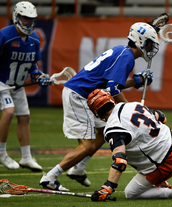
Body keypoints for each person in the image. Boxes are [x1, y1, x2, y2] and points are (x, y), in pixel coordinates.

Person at [39, 22, 159, 191]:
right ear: (140, 41)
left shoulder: (122, 52)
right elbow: (112, 89)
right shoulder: (126, 57)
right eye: (149, 43)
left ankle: (78, 168)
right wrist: (129, 109)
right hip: (79, 95)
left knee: (105, 130)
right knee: (86, 146)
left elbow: (112, 83)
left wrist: (137, 80)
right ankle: (50, 177)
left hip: (85, 94)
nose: (151, 48)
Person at [87, 89, 172, 201]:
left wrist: (108, 186)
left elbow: (120, 161)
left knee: (131, 193)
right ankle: (161, 183)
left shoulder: (113, 127)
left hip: (166, 160)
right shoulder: (132, 105)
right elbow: (161, 116)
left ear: (96, 112)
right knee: (137, 152)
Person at [0, 1, 51, 171]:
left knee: (24, 117)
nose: (28, 22)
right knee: (9, 113)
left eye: (31, 19)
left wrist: (38, 76)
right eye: (25, 18)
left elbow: (32, 64)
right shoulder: (5, 35)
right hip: (2, 83)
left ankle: (26, 157)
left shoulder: (34, 38)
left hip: (18, 85)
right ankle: (1, 153)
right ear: (16, 16)